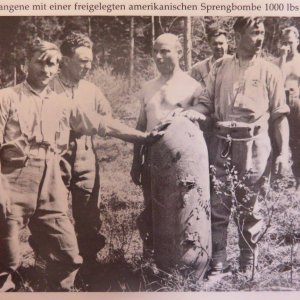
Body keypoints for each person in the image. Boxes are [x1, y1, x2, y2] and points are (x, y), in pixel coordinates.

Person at [0, 38, 160, 292]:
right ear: (24, 64)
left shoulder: (61, 102)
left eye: (52, 64)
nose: (47, 70)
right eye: (40, 63)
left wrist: (142, 137)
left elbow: (101, 123)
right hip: (14, 179)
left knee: (68, 256)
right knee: (6, 257)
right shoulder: (6, 98)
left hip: (51, 177)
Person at [191, 17, 290, 280]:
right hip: (222, 143)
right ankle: (219, 266)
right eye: (254, 33)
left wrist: (283, 153)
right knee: (218, 205)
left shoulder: (270, 71)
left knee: (251, 207)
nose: (259, 38)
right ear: (238, 36)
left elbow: (280, 116)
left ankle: (248, 265)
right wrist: (193, 115)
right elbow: (205, 103)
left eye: (262, 33)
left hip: (255, 146)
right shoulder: (220, 67)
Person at [130, 33, 204, 256]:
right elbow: (140, 126)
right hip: (152, 158)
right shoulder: (148, 87)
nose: (159, 57)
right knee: (153, 208)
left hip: (182, 162)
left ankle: (184, 259)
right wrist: (136, 161)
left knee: (181, 209)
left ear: (179, 53)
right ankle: (152, 259)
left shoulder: (193, 87)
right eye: (155, 51)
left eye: (165, 51)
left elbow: (203, 124)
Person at [49, 32, 111, 267]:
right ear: (65, 60)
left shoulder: (91, 89)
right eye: (82, 61)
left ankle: (90, 265)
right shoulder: (49, 84)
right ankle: (56, 265)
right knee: (54, 209)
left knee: (88, 210)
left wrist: (91, 120)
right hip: (56, 153)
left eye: (90, 60)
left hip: (86, 153)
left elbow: (107, 116)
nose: (88, 66)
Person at [276, 26, 300, 191]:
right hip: (281, 104)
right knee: (280, 142)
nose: (287, 46)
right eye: (284, 42)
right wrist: (283, 60)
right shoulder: (277, 62)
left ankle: (298, 181)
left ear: (297, 42)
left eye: (290, 42)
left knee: (298, 143)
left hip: (297, 103)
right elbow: (277, 82)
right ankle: (277, 181)